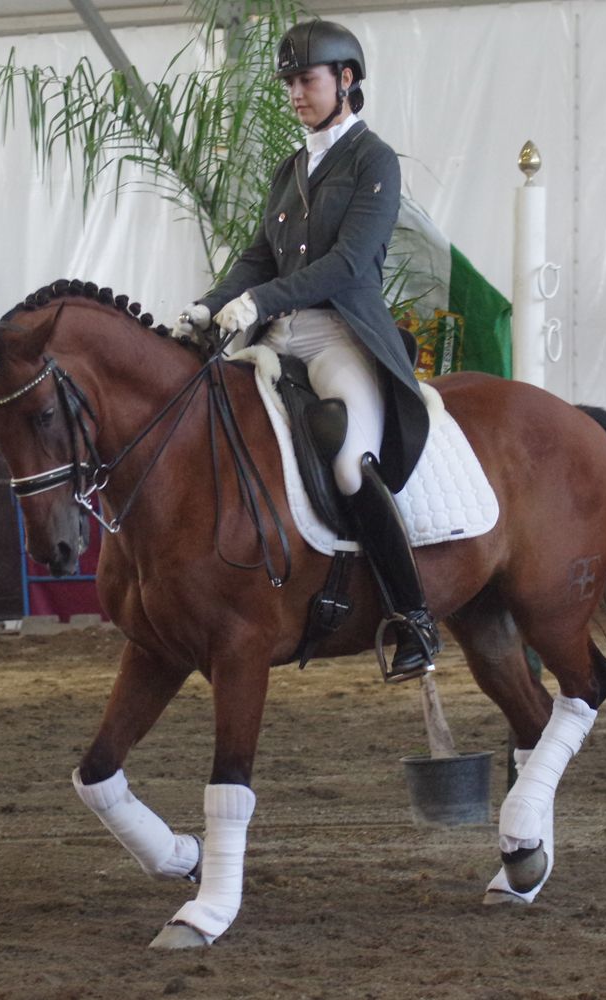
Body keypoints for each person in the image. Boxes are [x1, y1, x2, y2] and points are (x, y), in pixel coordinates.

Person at [172, 20, 437, 678]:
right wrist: (208, 305)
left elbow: (350, 263)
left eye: (307, 79)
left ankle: (415, 618)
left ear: (346, 80)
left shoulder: (372, 160)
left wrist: (260, 301)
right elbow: (257, 258)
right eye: (288, 81)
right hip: (276, 337)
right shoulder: (289, 170)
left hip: (340, 333)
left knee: (349, 461)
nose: (295, 91)